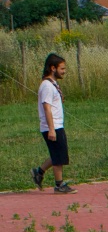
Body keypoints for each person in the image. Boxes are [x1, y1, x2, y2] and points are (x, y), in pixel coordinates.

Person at [31, 53, 76, 194]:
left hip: (57, 125)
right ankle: (59, 185)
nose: (64, 71)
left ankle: (38, 172)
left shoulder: (52, 84)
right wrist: (51, 129)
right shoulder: (46, 86)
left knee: (59, 153)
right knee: (59, 156)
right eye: (62, 68)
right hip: (52, 126)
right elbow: (46, 108)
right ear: (52, 68)